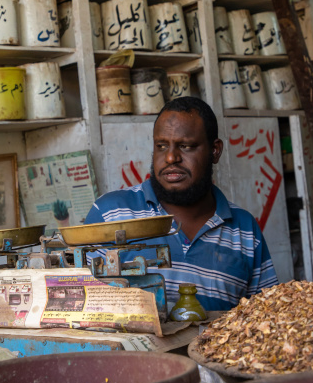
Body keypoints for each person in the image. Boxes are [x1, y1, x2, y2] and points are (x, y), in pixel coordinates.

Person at [84, 96, 278, 312]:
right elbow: (78, 306)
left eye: (185, 146)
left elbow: (267, 318)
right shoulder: (110, 214)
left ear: (215, 151)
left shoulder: (245, 230)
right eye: (161, 146)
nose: (170, 158)